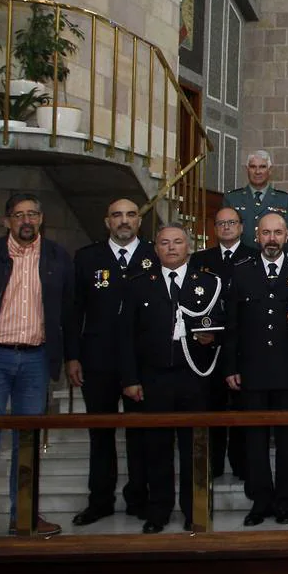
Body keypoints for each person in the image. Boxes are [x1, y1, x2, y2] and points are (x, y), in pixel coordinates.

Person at [0, 192, 74, 538]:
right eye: (19, 215)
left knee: (28, 441)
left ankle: (24, 516)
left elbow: (67, 310)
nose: (27, 221)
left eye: (33, 214)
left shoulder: (56, 257)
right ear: (7, 221)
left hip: (36, 359)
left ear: (41, 219)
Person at [118, 224, 222, 533]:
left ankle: (196, 510)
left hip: (194, 378)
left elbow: (220, 325)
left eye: (178, 242)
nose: (172, 248)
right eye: (165, 243)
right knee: (157, 448)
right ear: (156, 248)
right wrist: (130, 379)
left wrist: (210, 338)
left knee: (195, 448)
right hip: (155, 378)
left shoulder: (206, 282)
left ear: (189, 246)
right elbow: (126, 337)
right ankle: (159, 512)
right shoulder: (139, 285)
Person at [223, 213, 288, 526]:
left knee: (287, 441)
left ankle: (283, 503)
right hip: (251, 371)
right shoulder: (241, 272)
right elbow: (233, 326)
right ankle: (260, 501)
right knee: (255, 441)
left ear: (287, 236)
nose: (272, 239)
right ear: (256, 235)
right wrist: (231, 367)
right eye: (266, 233)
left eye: (278, 233)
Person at [67, 198, 158, 526]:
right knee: (100, 433)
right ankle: (100, 500)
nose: (124, 221)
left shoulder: (153, 255)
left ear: (139, 221)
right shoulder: (87, 258)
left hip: (141, 362)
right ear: (107, 222)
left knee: (140, 433)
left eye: (131, 215)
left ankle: (139, 497)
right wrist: (72, 355)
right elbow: (74, 312)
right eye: (117, 215)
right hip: (98, 360)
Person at [189, 206, 256, 481]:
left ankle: (241, 464)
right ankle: (213, 465)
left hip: (245, 347)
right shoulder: (200, 259)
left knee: (243, 410)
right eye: (221, 223)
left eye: (232, 223)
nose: (226, 227)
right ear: (214, 229)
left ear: (241, 226)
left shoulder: (254, 256)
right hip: (208, 349)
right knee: (211, 408)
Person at [224, 149, 288, 235]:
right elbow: (225, 232)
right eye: (253, 167)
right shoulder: (232, 199)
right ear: (247, 169)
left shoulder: (284, 200)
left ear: (270, 170)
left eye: (262, 167)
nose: (257, 172)